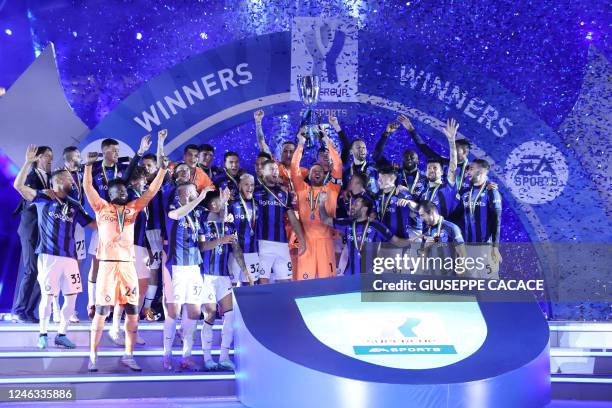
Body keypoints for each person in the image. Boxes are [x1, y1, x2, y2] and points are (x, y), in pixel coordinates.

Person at [84, 150, 167, 372]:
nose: (122, 192)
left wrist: (163, 171)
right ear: (110, 194)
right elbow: (88, 188)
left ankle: (128, 355)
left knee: (132, 311)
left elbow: (150, 192)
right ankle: (93, 355)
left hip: (128, 267)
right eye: (118, 190)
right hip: (108, 267)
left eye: (123, 190)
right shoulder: (101, 208)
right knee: (102, 312)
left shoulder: (132, 209)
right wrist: (88, 167)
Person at [14, 146, 96, 348]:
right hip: (49, 256)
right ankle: (42, 333)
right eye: (68, 180)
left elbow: (93, 224)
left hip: (70, 258)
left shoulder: (75, 204)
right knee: (49, 297)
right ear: (58, 181)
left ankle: (61, 333)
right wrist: (27, 162)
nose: (72, 183)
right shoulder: (43, 197)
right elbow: (19, 186)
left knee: (72, 297)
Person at [86, 137, 146, 319]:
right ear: (105, 152)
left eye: (119, 151)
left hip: (120, 221)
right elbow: (86, 190)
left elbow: (128, 177)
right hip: (103, 219)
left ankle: (111, 304)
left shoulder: (121, 170)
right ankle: (92, 302)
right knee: (97, 263)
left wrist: (140, 151)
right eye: (114, 150)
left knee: (120, 266)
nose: (118, 154)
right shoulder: (94, 169)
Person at [162, 182, 215, 371]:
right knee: (173, 312)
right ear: (183, 194)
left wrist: (219, 241)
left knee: (193, 311)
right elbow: (176, 215)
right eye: (194, 192)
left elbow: (202, 244)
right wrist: (201, 198)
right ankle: (167, 355)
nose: (198, 194)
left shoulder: (197, 214)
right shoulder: (172, 209)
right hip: (175, 268)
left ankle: (187, 356)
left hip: (194, 268)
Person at [200, 189, 253, 371]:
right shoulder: (204, 224)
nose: (219, 205)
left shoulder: (230, 227)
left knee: (230, 316)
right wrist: (221, 240)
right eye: (215, 203)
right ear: (209, 207)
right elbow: (202, 247)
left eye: (221, 202)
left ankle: (224, 356)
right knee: (210, 314)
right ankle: (207, 357)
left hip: (223, 276)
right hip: (206, 276)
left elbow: (236, 249)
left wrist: (245, 270)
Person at [291, 126, 343, 280]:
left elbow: (338, 165)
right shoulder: (302, 189)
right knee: (303, 285)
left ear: (325, 173)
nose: (317, 172)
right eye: (313, 170)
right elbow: (294, 168)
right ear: (309, 175)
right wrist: (301, 143)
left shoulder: (332, 189)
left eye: (319, 170)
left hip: (326, 242)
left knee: (328, 284)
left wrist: (327, 141)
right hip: (306, 241)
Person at [107, 166, 151, 346]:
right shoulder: (129, 196)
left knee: (142, 287)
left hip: (140, 246)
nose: (146, 182)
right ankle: (115, 328)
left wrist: (147, 248)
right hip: (127, 247)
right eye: (143, 179)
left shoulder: (140, 197)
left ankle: (132, 328)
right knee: (126, 289)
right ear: (134, 180)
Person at [318, 192, 412, 275]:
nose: (352, 207)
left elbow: (396, 241)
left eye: (356, 204)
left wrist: (413, 241)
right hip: (350, 276)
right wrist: (321, 203)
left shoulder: (376, 226)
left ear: (364, 209)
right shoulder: (348, 223)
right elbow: (325, 219)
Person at [12, 145, 53, 323]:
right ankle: (19, 310)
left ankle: (29, 311)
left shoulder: (52, 178)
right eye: (46, 156)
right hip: (30, 229)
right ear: (37, 158)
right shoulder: (30, 176)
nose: (50, 159)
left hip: (45, 231)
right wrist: (27, 163)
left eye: (52, 156)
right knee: (31, 269)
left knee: (43, 273)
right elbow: (20, 188)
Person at [255, 160, 306, 284]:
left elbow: (292, 218)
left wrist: (302, 240)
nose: (275, 172)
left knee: (286, 282)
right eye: (271, 169)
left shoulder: (284, 193)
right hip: (262, 243)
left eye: (276, 169)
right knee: (263, 284)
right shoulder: (255, 192)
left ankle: (285, 304)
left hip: (282, 244)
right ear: (262, 171)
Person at [457, 159, 503, 278]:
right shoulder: (465, 192)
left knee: (491, 287)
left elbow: (497, 220)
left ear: (481, 171)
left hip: (484, 248)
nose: (468, 172)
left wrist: (495, 247)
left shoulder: (492, 192)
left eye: (471, 169)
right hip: (467, 248)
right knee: (470, 289)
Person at [330, 114, 385, 194]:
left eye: (363, 148)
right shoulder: (347, 171)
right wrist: (336, 126)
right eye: (358, 148)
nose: (362, 150)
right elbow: (346, 145)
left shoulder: (373, 168)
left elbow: (379, 150)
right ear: (351, 151)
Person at [374, 114, 427, 195]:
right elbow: (377, 155)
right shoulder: (395, 172)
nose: (408, 158)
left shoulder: (425, 179)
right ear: (402, 160)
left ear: (418, 161)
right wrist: (386, 133)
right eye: (406, 157)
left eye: (412, 157)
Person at [227, 174, 261, 286]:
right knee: (230, 286)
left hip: (252, 251)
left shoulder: (257, 204)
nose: (250, 187)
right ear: (239, 186)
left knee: (251, 286)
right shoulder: (232, 203)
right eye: (246, 184)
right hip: (234, 252)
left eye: (252, 185)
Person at [416, 201, 467, 276]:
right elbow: (422, 260)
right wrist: (426, 248)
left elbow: (462, 254)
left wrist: (460, 276)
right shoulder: (426, 231)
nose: (421, 219)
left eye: (422, 215)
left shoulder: (451, 228)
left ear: (432, 212)